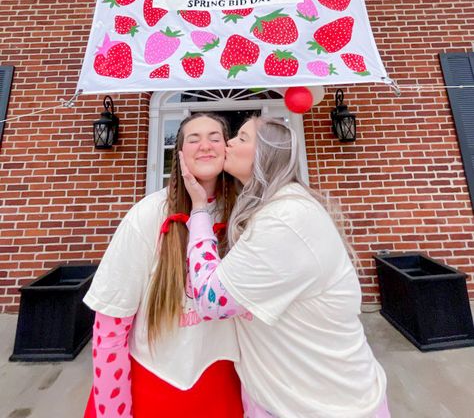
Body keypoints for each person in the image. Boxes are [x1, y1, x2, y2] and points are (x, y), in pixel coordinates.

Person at [181, 116, 390, 418]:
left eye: (241, 138)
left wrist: (199, 211)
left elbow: (211, 301)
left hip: (324, 407)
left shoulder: (285, 220)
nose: (227, 143)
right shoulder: (274, 209)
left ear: (267, 154)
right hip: (283, 398)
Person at [83, 113, 243, 418]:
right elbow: (110, 324)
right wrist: (114, 410)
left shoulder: (245, 215)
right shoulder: (147, 215)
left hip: (226, 377)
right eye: (193, 139)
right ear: (179, 153)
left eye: (214, 137)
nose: (205, 146)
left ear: (227, 149)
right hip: (155, 381)